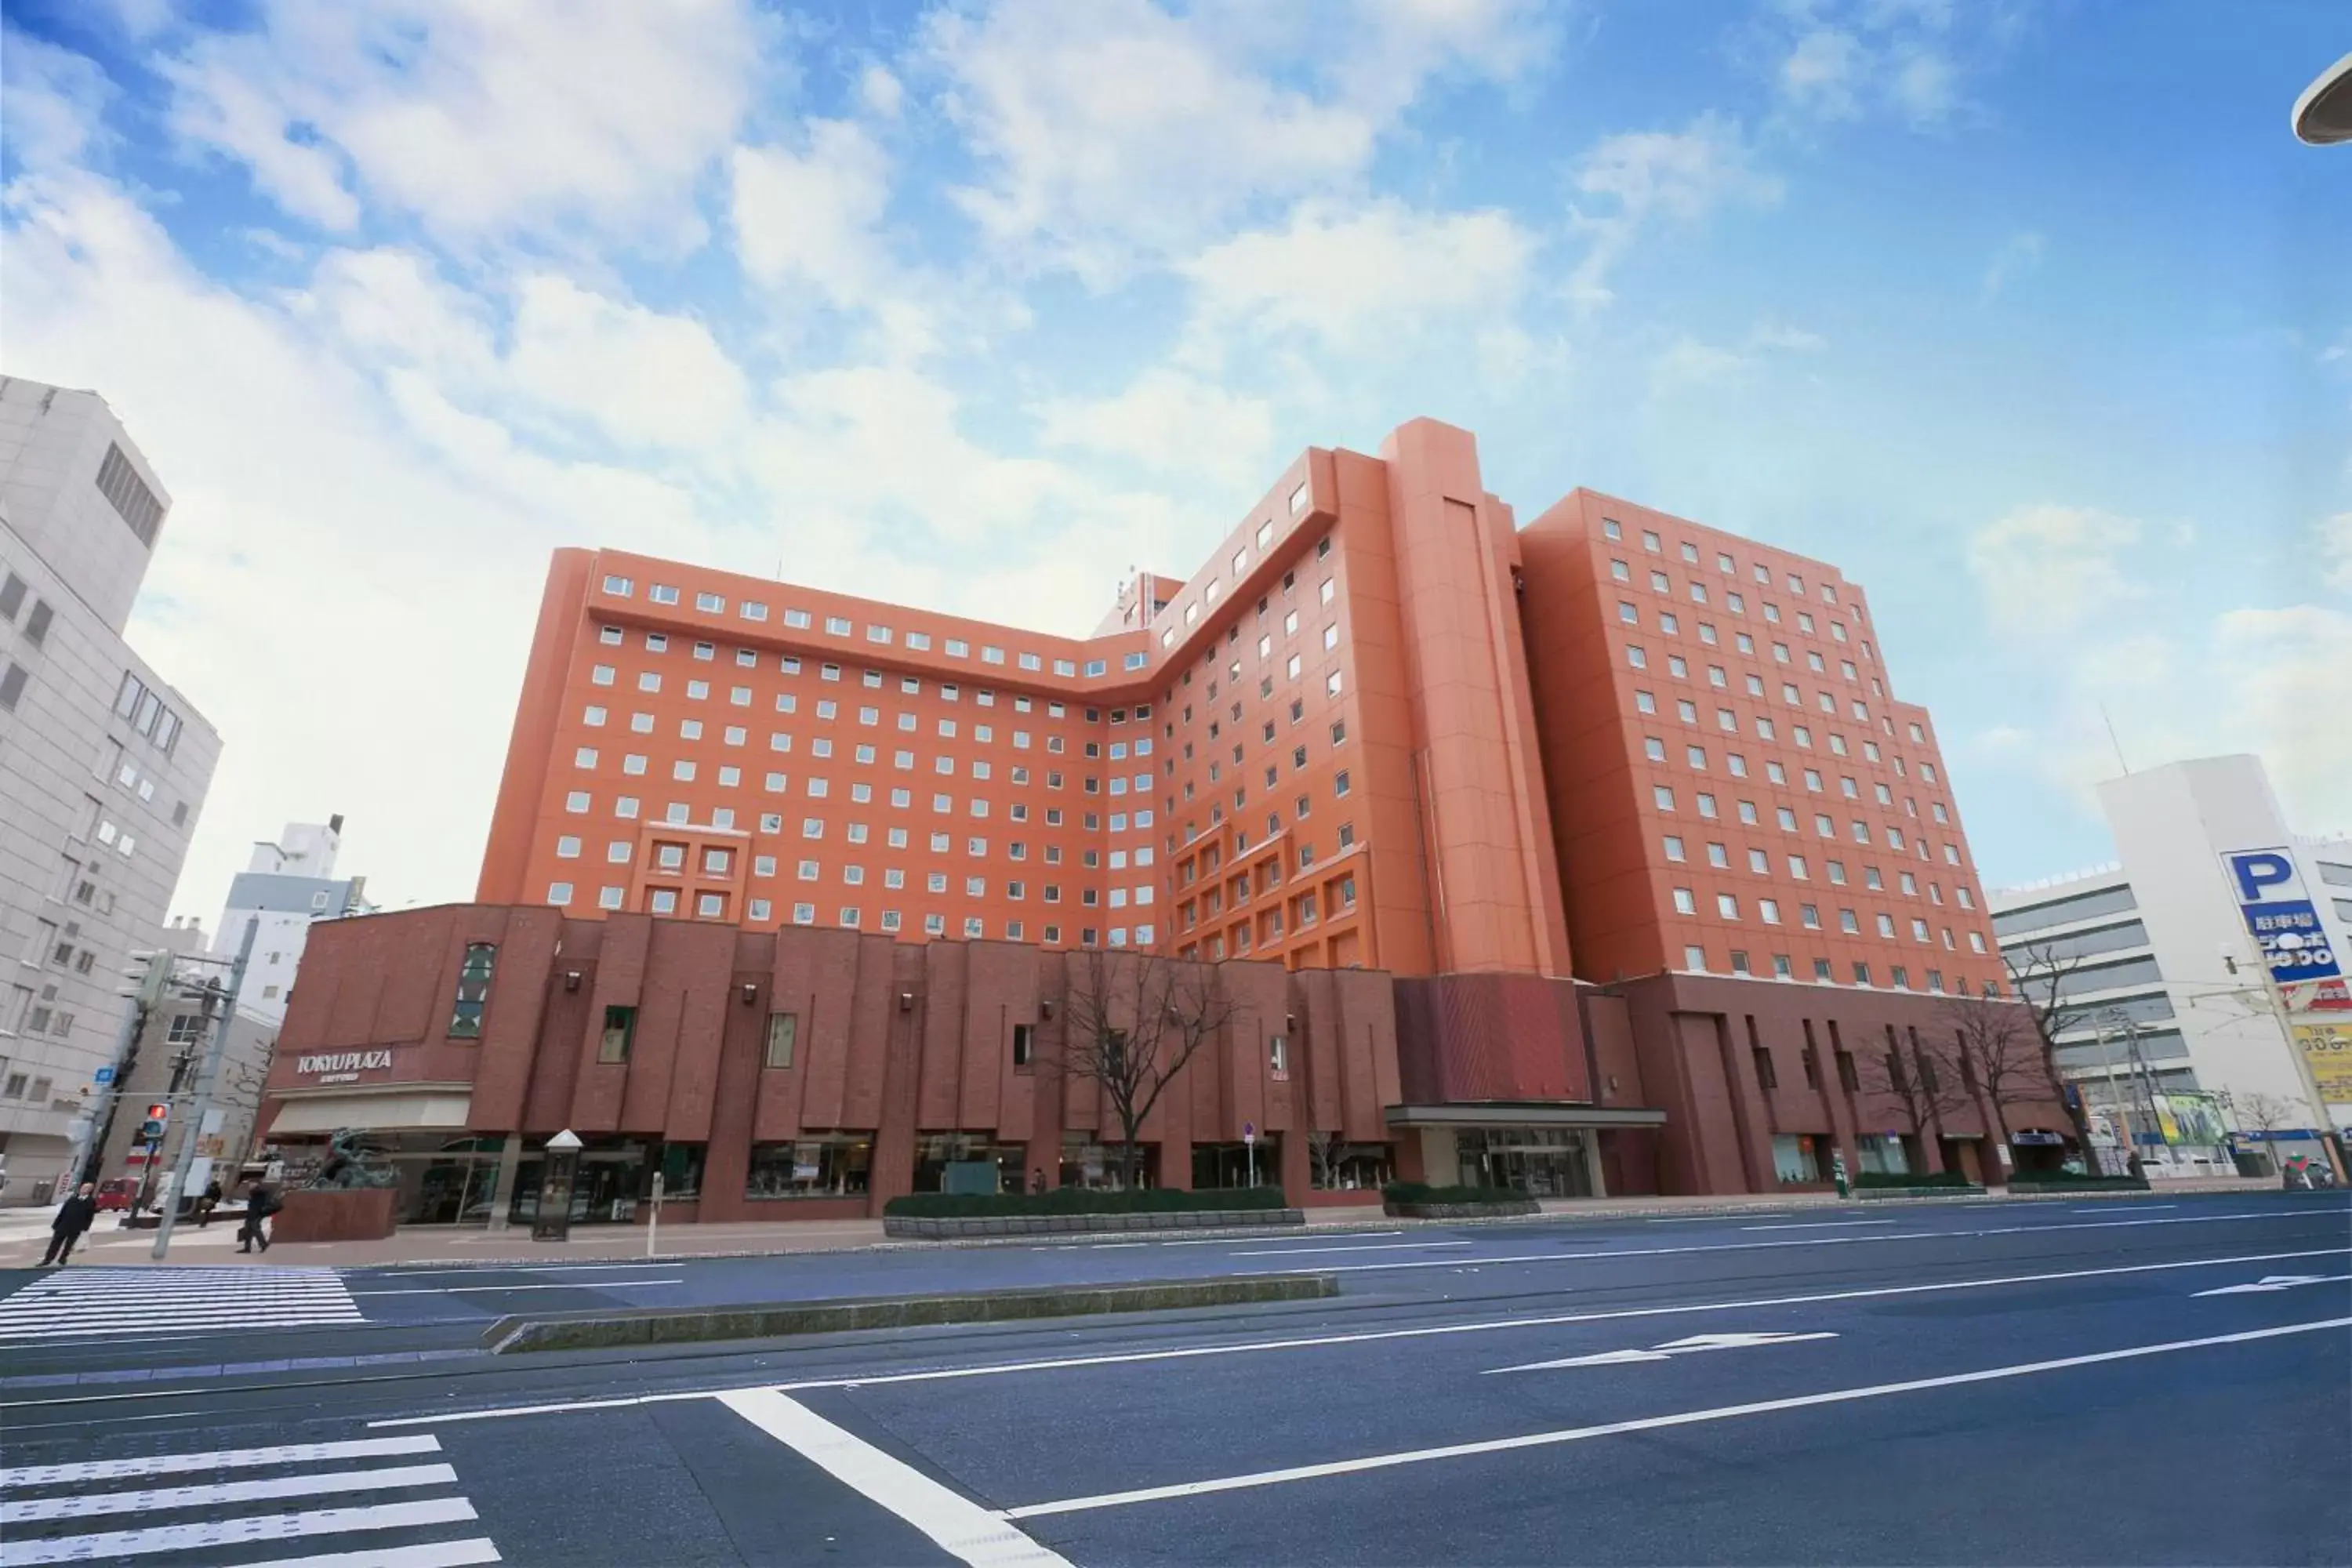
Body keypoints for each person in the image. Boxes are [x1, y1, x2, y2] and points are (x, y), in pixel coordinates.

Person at [43, 1182, 99, 1266]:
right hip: (63, 1225)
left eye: (87, 1188)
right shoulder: (72, 1199)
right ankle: (47, 1260)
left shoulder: (90, 1201)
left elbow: (90, 1216)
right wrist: (56, 1223)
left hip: (76, 1227)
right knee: (55, 1244)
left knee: (68, 1246)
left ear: (90, 1191)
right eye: (83, 1188)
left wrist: (85, 1227)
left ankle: (62, 1259)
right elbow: (63, 1212)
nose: (83, 1190)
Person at [238, 1176, 280, 1253]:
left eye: (251, 1184)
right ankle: (247, 1248)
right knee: (248, 1231)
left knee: (256, 1230)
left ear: (256, 1184)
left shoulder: (260, 1191)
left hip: (257, 1214)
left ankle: (264, 1245)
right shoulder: (254, 1192)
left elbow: (262, 1202)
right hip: (251, 1214)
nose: (249, 1185)